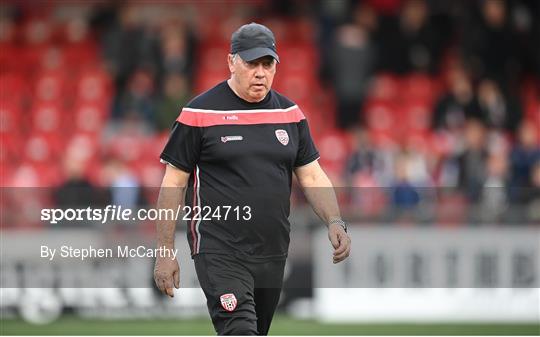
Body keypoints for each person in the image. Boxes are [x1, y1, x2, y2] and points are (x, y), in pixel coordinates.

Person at [153, 23, 351, 335]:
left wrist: (335, 221)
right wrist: (165, 250)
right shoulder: (198, 114)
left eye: (267, 64)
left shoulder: (291, 114)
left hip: (272, 250)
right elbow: (173, 184)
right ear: (231, 62)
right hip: (219, 250)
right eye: (251, 63)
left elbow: (312, 174)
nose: (260, 73)